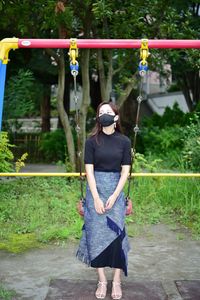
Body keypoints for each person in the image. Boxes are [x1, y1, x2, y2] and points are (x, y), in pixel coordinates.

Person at [76, 101, 132, 299]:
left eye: (108, 112)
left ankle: (116, 281)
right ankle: (102, 280)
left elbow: (125, 171)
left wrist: (115, 196)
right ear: (98, 118)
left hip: (116, 191)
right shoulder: (91, 141)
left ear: (116, 117)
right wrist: (97, 198)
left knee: (117, 237)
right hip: (95, 192)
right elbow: (88, 172)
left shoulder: (124, 141)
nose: (104, 115)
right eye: (101, 112)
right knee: (95, 235)